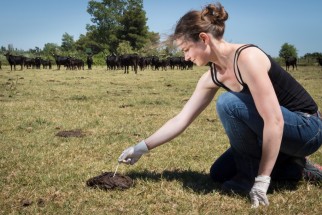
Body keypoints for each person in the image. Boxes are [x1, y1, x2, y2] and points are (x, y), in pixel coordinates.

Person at [118, 2, 322, 208]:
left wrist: (262, 180)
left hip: (306, 128)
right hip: (273, 132)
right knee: (220, 173)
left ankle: (250, 176)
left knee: (229, 102)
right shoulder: (212, 76)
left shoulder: (248, 58)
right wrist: (141, 148)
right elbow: (181, 119)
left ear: (204, 39)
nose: (185, 57)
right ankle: (297, 167)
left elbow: (274, 120)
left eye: (186, 49)